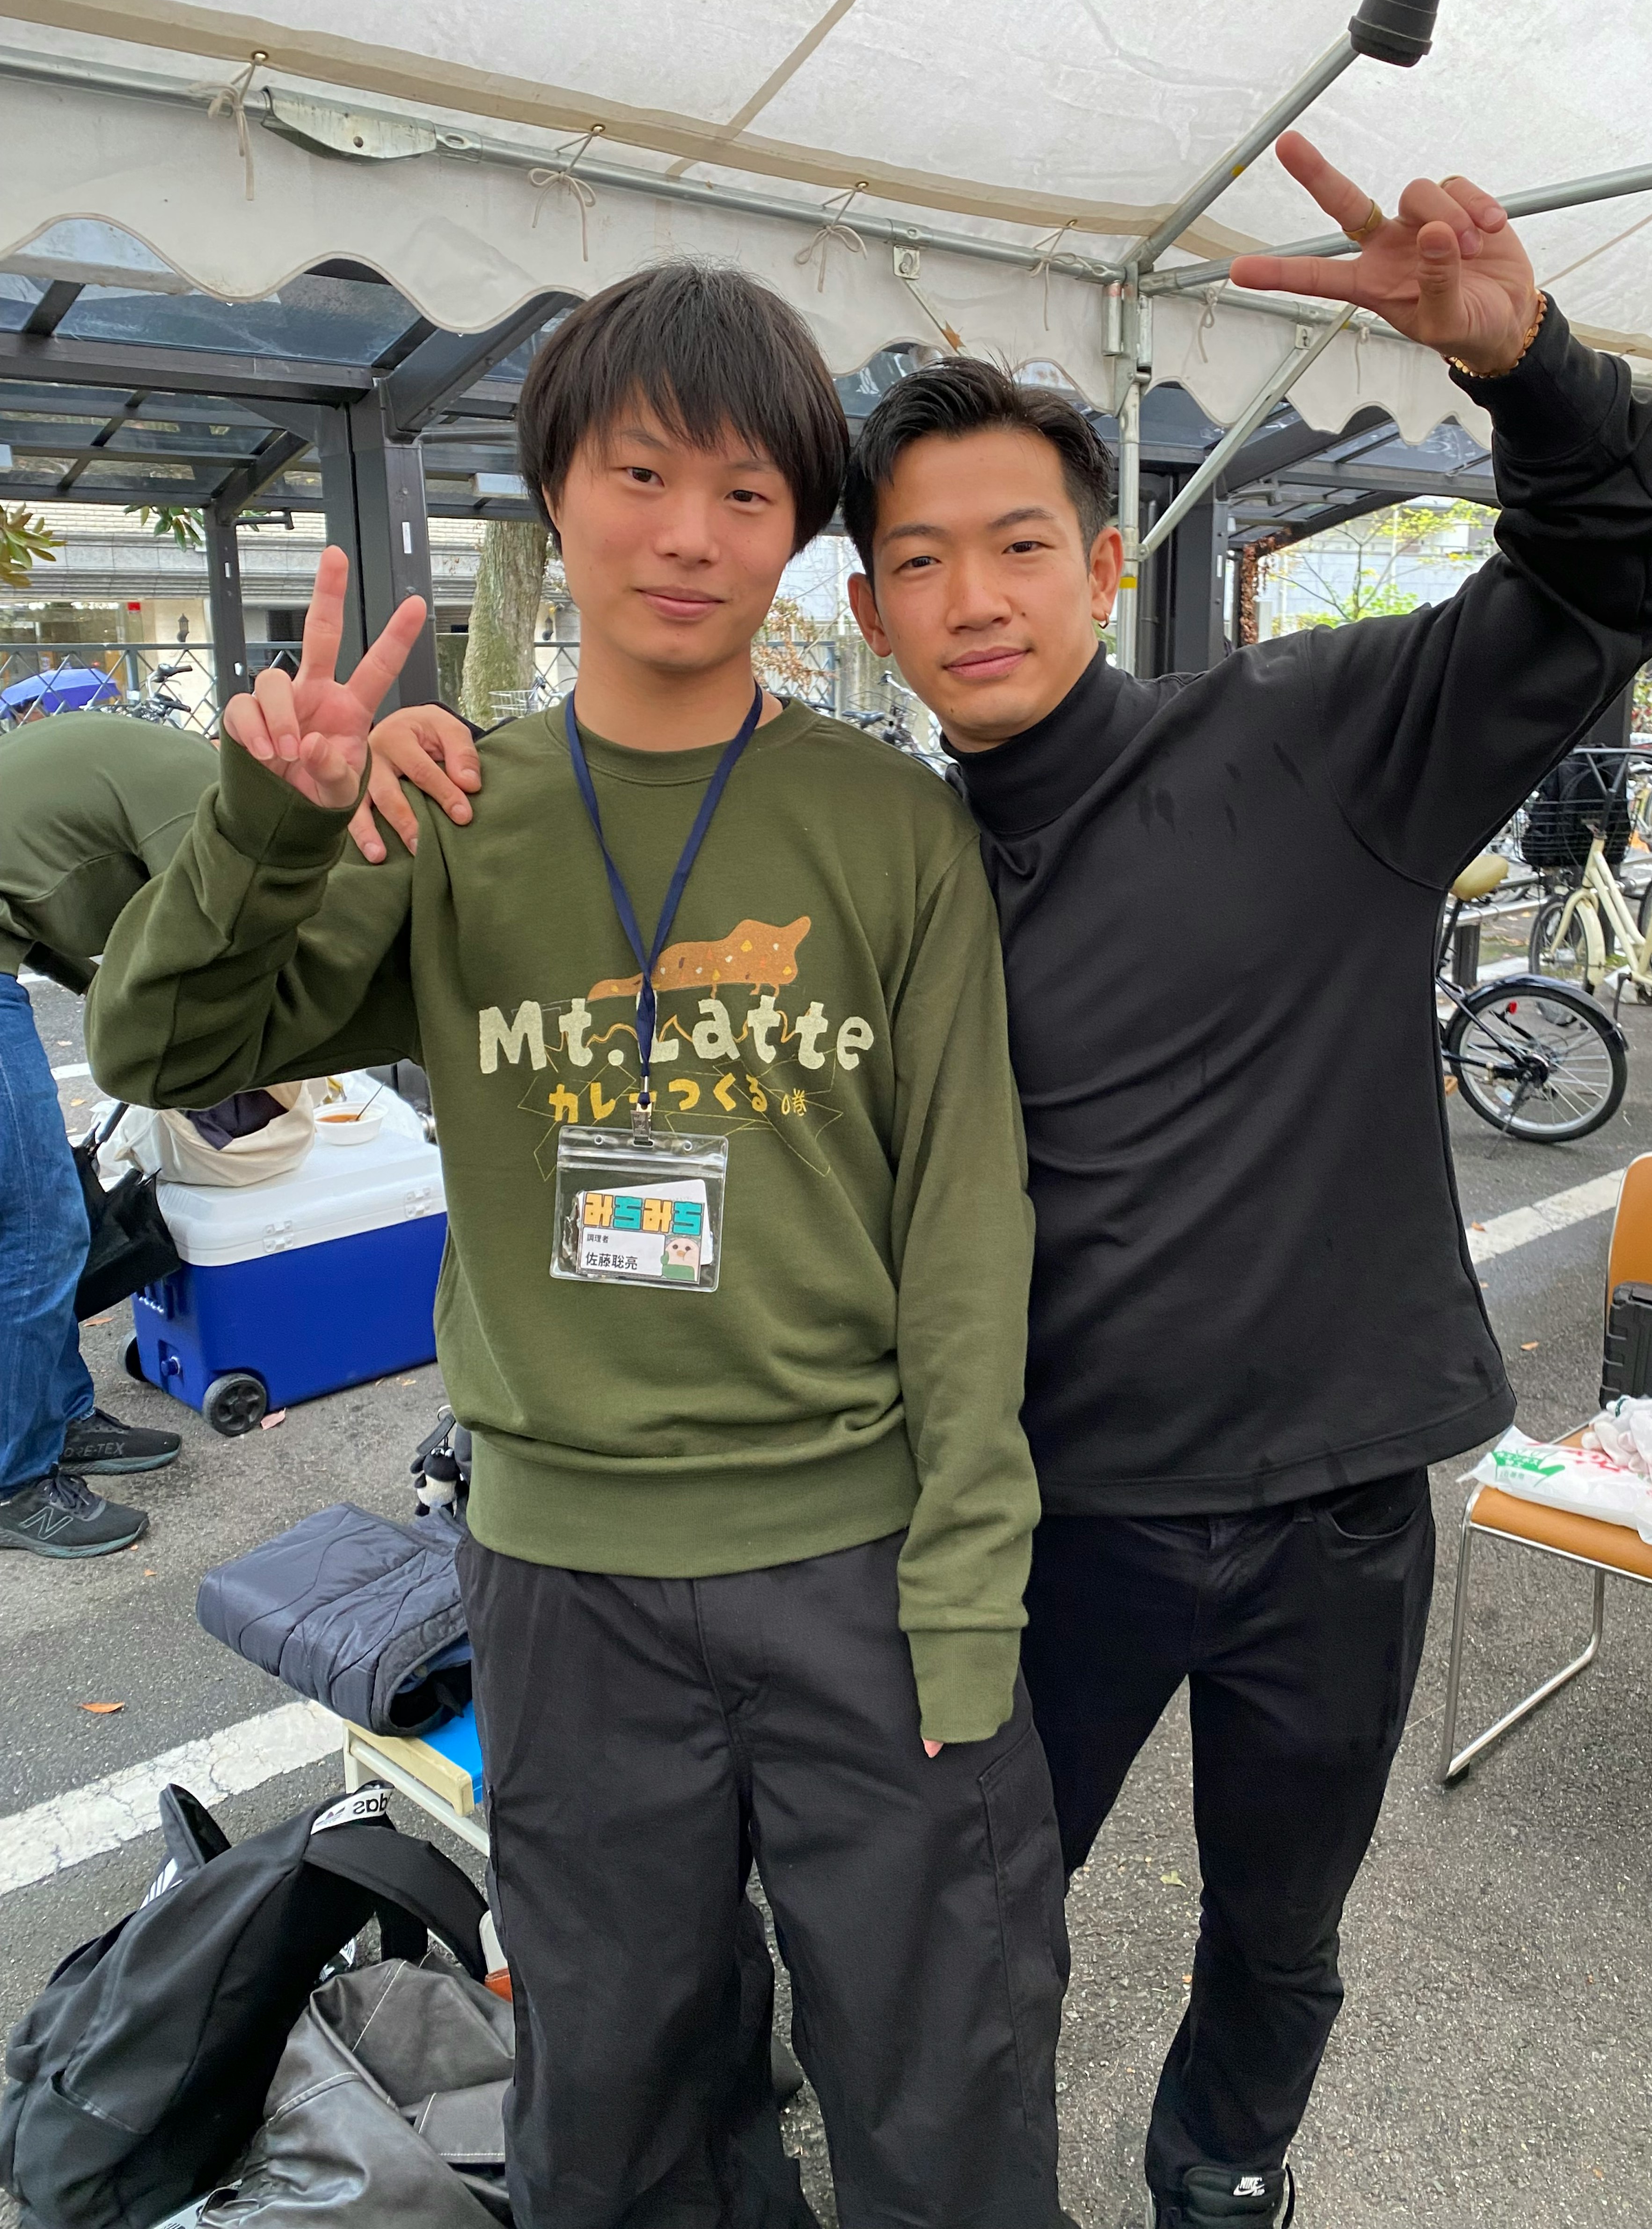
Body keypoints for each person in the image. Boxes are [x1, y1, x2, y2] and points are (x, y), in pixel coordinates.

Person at [87, 261, 1064, 2229]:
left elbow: (968, 1216)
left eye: (747, 493)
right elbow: (160, 1045)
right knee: (618, 2095)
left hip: (857, 1568)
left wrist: (969, 1575)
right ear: (555, 488)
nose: (689, 535)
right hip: (562, 1580)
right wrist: (273, 830)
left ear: (803, 535)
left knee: (941, 2067)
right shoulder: (450, 808)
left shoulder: (889, 829)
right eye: (639, 473)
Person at [828, 136, 1652, 2227]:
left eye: (1018, 542)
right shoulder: (883, 867)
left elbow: (1618, 572)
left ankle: (1222, 2166)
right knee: (975, 1916)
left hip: (1333, 1510)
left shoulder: (1312, 732)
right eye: (922, 561)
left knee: (1281, 1925)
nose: (975, 595)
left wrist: (1526, 364)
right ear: (869, 609)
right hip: (1044, 1523)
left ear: (1101, 556)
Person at [0, 705, 490, 1560]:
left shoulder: (234, 793)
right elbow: (225, 965)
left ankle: (57, 1416)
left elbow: (113, 955)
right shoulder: (219, 806)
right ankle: (14, 1478)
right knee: (36, 1229)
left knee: (50, 1219)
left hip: (15, 941)